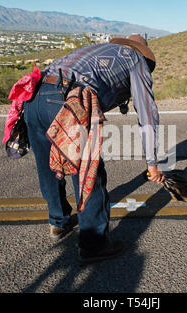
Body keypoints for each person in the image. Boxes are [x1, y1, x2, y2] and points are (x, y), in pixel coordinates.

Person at [23, 34, 165, 264]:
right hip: (67, 100)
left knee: (47, 164)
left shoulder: (98, 51)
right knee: (89, 168)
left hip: (34, 97)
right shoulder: (136, 60)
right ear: (143, 53)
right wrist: (153, 163)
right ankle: (94, 244)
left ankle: (59, 222)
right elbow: (147, 114)